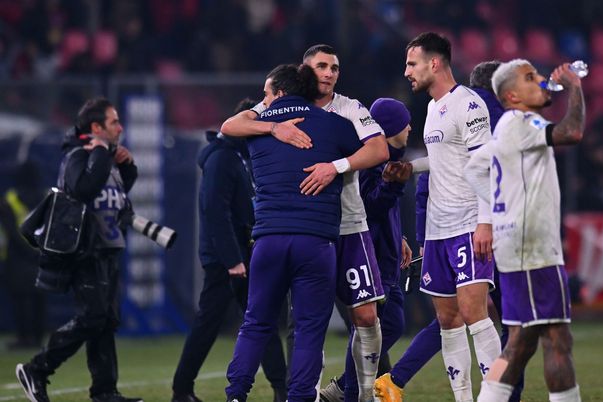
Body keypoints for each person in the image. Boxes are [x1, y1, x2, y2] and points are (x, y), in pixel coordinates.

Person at [222, 44, 389, 402]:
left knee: (365, 315)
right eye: (321, 67)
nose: (328, 73)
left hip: (346, 224)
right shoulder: (284, 115)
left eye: (334, 68)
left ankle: (362, 392)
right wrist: (273, 128)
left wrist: (336, 166)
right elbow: (232, 123)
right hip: (318, 235)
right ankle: (306, 395)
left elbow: (379, 150)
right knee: (307, 324)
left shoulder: (348, 109)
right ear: (304, 72)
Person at [375, 61, 524, 402]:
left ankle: (397, 380)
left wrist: (427, 236)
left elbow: (433, 175)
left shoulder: (449, 107)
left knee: (454, 315)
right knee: (495, 317)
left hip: (449, 227)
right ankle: (501, 395)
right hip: (487, 227)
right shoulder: (492, 115)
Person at [466, 59, 584, 402]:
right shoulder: (523, 122)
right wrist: (575, 87)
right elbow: (572, 133)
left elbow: (474, 168)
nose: (542, 81)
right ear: (513, 95)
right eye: (531, 78)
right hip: (531, 246)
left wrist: (501, 206)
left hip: (517, 243)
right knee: (556, 337)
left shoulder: (507, 128)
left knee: (521, 341)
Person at [15, 97, 143, 402]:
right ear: (97, 127)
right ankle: (37, 368)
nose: (120, 127)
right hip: (86, 251)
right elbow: (84, 190)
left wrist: (127, 168)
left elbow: (114, 195)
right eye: (113, 122)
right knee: (93, 317)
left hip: (108, 248)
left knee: (105, 321)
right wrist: (100, 153)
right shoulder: (78, 155)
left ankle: (104, 390)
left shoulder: (104, 157)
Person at [170, 98, 287, 402]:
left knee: (259, 319)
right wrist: (232, 258)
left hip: (240, 252)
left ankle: (281, 387)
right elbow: (215, 210)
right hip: (227, 258)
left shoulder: (233, 156)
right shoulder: (223, 159)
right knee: (216, 323)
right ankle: (181, 388)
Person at [322, 98, 414, 402]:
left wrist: (398, 236)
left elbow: (384, 213)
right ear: (389, 128)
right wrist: (392, 186)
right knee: (370, 328)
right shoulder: (369, 161)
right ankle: (349, 392)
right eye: (404, 123)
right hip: (369, 255)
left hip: (386, 254)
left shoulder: (387, 160)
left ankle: (345, 388)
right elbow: (369, 207)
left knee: (389, 324)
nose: (410, 128)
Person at [0, 161, 46, 350]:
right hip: (41, 253)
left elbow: (10, 229)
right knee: (39, 298)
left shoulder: (10, 198)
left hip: (17, 256)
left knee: (21, 298)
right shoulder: (45, 197)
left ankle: (24, 338)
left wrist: (27, 250)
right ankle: (38, 337)